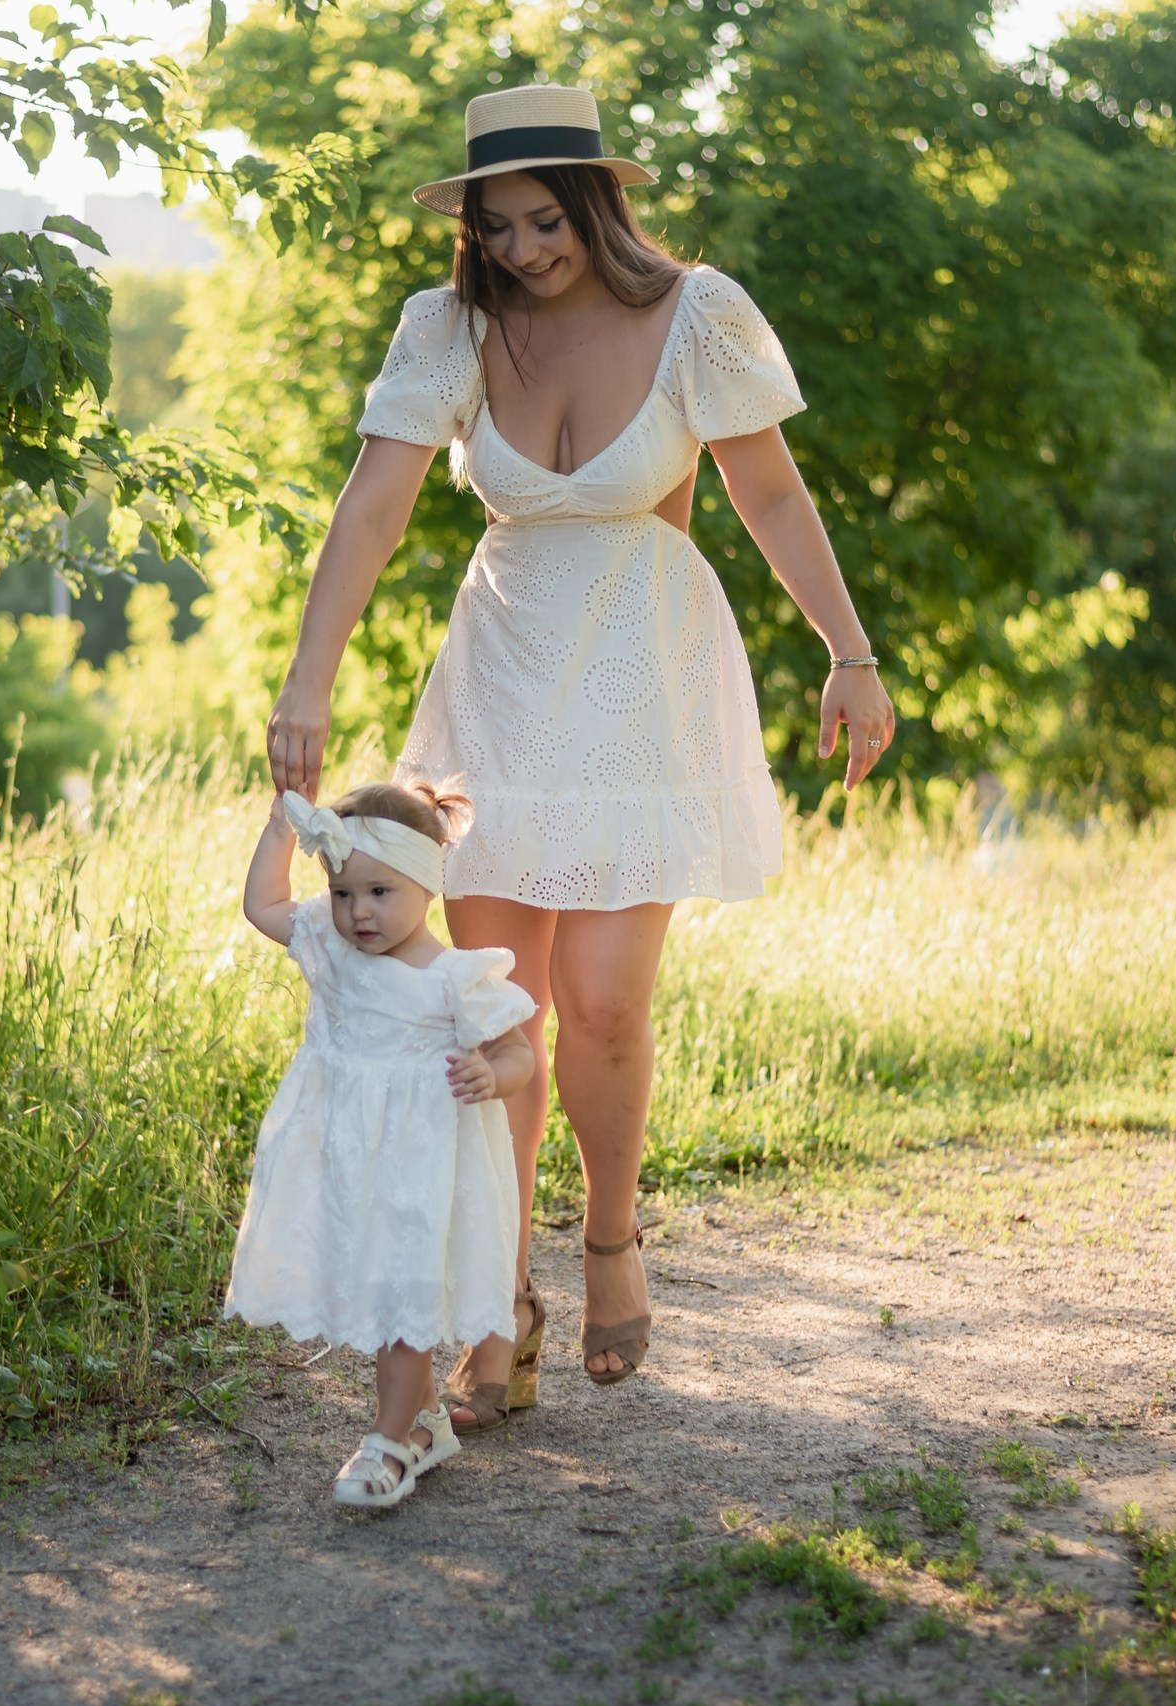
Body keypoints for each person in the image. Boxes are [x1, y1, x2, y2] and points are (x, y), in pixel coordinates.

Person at [263, 84, 896, 1428]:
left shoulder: (696, 313)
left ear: (597, 201)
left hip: (643, 680)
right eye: (497, 228)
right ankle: (499, 1302)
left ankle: (610, 1244)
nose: (525, 249)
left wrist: (850, 651)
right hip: (498, 682)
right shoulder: (449, 326)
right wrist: (306, 684)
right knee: (495, 1013)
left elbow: (767, 488)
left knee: (603, 996)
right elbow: (372, 502)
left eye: (545, 220)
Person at [226, 781, 541, 1508]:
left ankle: (389, 1439)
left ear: (426, 887)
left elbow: (519, 1053)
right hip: (345, 1165)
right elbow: (262, 904)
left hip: (419, 1170)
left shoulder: (455, 978)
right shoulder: (330, 949)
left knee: (403, 1297)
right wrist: (283, 825)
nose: (357, 912)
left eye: (378, 892)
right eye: (342, 893)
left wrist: (490, 1073)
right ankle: (428, 1424)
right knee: (378, 1289)